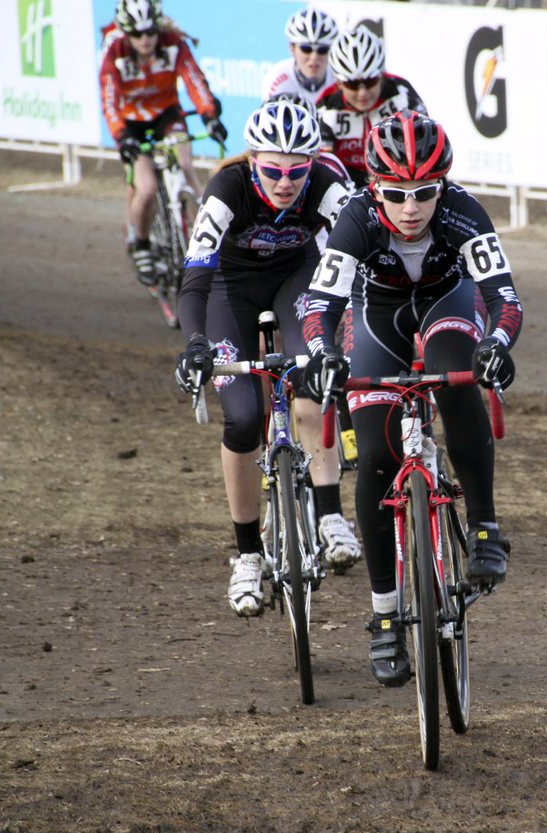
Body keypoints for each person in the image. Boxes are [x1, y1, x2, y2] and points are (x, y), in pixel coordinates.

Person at [301, 111, 523, 687]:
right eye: (396, 194)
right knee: (375, 453)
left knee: (458, 379)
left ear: (442, 186)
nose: (410, 208)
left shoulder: (463, 212)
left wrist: (497, 344)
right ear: (374, 187)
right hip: (376, 317)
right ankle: (383, 616)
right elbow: (319, 306)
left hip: (449, 303)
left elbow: (505, 299)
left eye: (424, 193)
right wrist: (324, 351)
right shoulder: (354, 219)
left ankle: (483, 528)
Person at [174, 101, 362, 617]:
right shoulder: (226, 189)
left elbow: (362, 251)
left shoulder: (326, 184)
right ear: (253, 160)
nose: (285, 182)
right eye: (273, 170)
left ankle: (328, 512)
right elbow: (194, 280)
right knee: (240, 419)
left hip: (296, 279)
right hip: (229, 291)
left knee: (312, 376)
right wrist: (195, 345)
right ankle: (248, 556)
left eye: (296, 171)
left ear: (313, 163)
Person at [99, 0, 228, 289]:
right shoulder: (115, 53)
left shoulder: (173, 45)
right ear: (126, 33)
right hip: (131, 123)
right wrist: (121, 136)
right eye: (137, 34)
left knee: (184, 165)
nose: (145, 40)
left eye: (150, 32)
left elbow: (194, 81)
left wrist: (210, 116)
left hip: (166, 116)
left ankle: (214, 233)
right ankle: (141, 244)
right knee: (144, 189)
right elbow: (108, 101)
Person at [313, 27, 428, 187]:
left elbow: (425, 147)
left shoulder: (402, 94)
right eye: (352, 85)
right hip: (347, 181)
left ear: (381, 75)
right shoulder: (326, 108)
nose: (362, 93)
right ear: (339, 83)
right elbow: (323, 167)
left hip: (394, 178)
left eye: (370, 82)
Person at [261, 8, 340, 106]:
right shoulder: (278, 78)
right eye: (306, 49)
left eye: (322, 50)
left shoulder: (339, 76)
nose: (314, 57)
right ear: (292, 48)